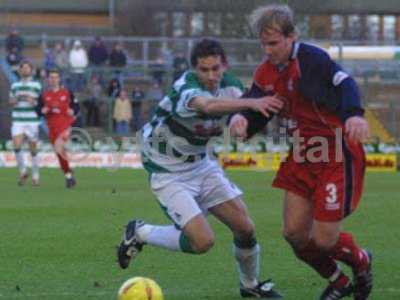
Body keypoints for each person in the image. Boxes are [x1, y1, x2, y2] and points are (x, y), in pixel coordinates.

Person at [117, 38, 283, 298]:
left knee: (245, 228)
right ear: (194, 69)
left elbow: (246, 119)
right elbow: (207, 106)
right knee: (202, 242)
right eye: (204, 70)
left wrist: (243, 123)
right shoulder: (186, 87)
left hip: (202, 165)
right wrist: (249, 104)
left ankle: (250, 286)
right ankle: (141, 232)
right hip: (168, 170)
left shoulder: (232, 88)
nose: (211, 75)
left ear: (224, 65)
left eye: (216, 68)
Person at [229, 5, 372, 300]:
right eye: (263, 44)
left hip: (336, 152)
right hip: (304, 154)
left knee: (323, 240)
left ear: (291, 36)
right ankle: (339, 281)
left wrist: (354, 115)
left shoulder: (312, 59)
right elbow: (256, 103)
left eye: (273, 43)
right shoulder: (266, 72)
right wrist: (241, 119)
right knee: (294, 234)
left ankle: (361, 261)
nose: (268, 50)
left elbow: (345, 83)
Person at [38, 68, 80, 188]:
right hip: (52, 127)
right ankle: (68, 174)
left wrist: (73, 111)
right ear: (48, 80)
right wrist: (42, 111)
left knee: (59, 147)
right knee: (59, 152)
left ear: (59, 79)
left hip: (65, 126)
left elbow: (76, 106)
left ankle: (68, 175)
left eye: (56, 77)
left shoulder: (67, 93)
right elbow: (38, 109)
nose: (54, 79)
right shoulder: (44, 95)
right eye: (51, 77)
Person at [9, 61, 42, 186]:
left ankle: (35, 175)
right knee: (16, 146)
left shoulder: (36, 85)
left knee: (33, 149)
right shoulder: (15, 85)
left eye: (27, 68)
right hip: (18, 119)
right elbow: (11, 101)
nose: (24, 70)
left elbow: (40, 103)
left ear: (31, 70)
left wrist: (31, 99)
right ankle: (23, 172)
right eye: (22, 68)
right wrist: (17, 99)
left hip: (32, 120)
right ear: (20, 71)